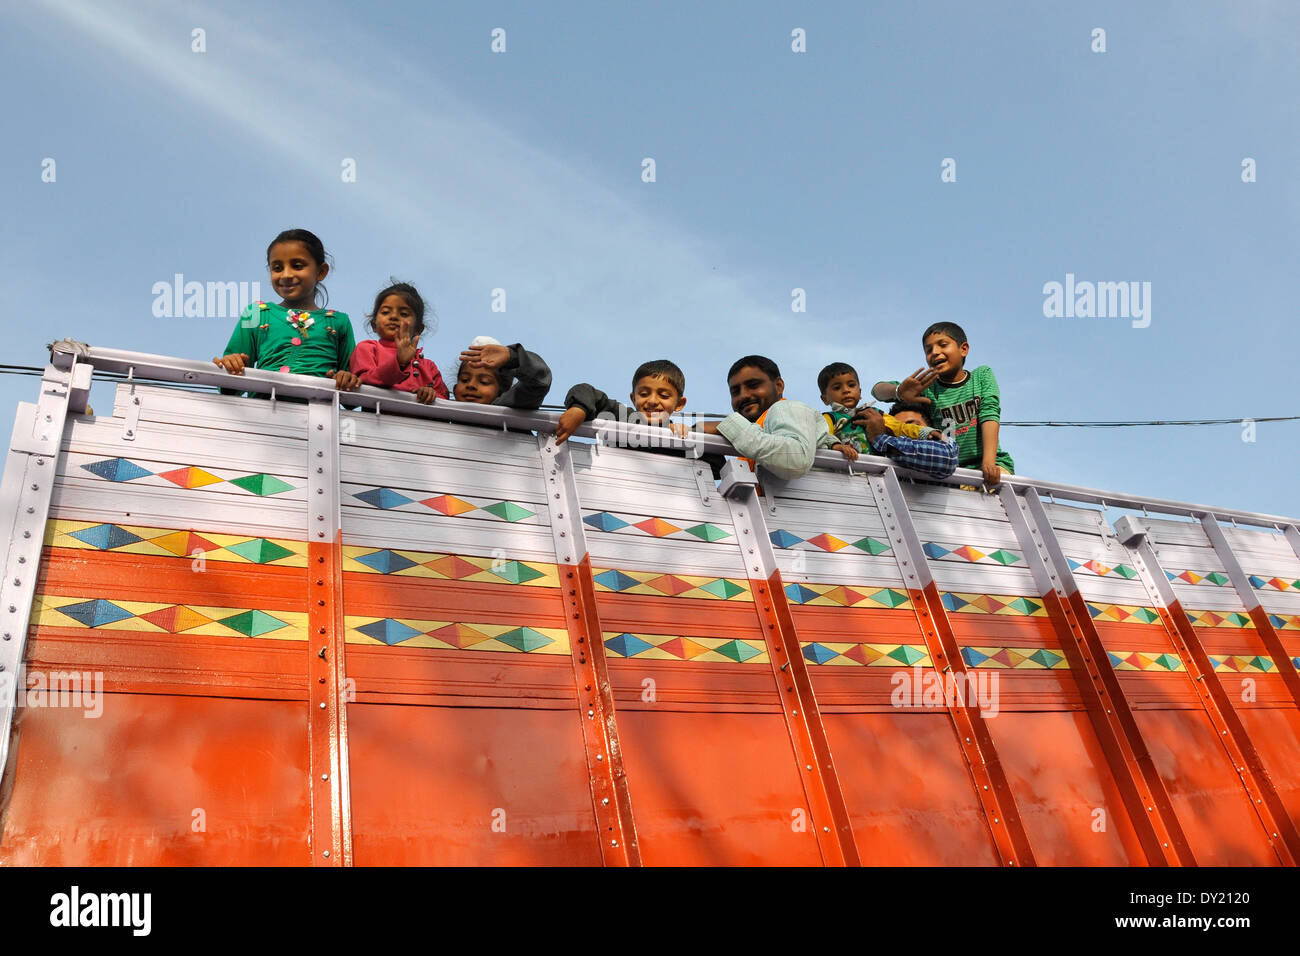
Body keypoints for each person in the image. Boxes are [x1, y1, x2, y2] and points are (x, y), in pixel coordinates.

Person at [213, 228, 359, 391]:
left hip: (321, 412)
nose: (286, 275)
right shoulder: (255, 313)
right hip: (263, 412)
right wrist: (232, 365)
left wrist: (347, 379)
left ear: (321, 272)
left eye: (297, 266)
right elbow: (228, 388)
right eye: (277, 268)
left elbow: (352, 394)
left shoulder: (339, 321)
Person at [871, 322, 1014, 485]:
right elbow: (876, 390)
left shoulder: (981, 376)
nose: (935, 352)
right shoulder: (928, 389)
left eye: (943, 345)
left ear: (963, 349)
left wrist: (988, 464)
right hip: (952, 472)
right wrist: (898, 392)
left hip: (991, 465)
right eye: (928, 350)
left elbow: (990, 414)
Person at [553, 359, 726, 477]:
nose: (652, 401)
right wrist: (579, 408)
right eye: (644, 394)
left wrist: (692, 435)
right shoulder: (624, 417)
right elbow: (586, 390)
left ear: (679, 404)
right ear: (633, 398)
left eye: (664, 396)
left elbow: (716, 467)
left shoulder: (679, 436)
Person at [698, 355, 834, 480]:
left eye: (753, 385)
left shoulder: (787, 408)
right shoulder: (750, 433)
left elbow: (797, 459)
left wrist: (726, 425)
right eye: (735, 392)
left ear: (779, 386)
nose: (744, 395)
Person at [349, 281, 448, 403]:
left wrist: (431, 395)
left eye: (404, 314)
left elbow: (446, 401)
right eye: (385, 312)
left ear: (418, 329)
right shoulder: (367, 349)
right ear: (374, 325)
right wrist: (399, 363)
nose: (394, 316)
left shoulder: (429, 367)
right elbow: (363, 382)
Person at [852, 401, 957, 479]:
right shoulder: (884, 461)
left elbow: (948, 459)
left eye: (912, 427)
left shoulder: (946, 446)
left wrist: (879, 438)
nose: (904, 436)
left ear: (930, 428)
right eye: (899, 431)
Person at [452, 336, 551, 408]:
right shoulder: (444, 417)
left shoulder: (508, 409)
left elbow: (539, 382)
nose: (471, 385)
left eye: (484, 382)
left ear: (502, 391)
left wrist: (513, 357)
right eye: (464, 380)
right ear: (455, 389)